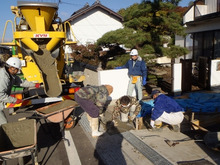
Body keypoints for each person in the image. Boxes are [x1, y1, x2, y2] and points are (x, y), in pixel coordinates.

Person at [0, 57, 40, 125]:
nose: (18, 71)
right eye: (17, 69)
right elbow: (1, 95)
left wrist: (34, 84)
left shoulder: (11, 75)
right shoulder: (3, 78)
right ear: (12, 68)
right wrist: (15, 100)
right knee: (4, 124)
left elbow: (21, 82)